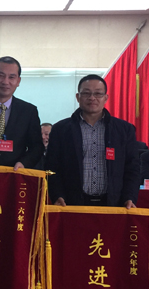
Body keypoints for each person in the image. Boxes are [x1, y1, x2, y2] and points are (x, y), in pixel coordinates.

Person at [46, 74, 139, 208]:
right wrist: (57, 195)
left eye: (98, 94)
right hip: (72, 204)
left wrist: (129, 197)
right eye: (86, 93)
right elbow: (52, 167)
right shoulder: (61, 129)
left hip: (113, 204)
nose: (92, 98)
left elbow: (132, 168)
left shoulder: (124, 130)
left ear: (106, 98)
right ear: (78, 97)